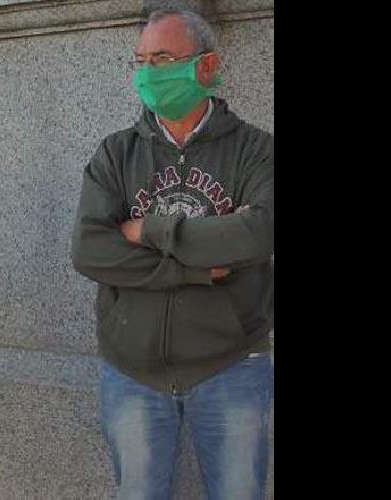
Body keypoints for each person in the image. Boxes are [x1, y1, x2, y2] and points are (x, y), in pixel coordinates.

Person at [70, 10, 273, 499]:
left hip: (232, 365)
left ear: (206, 67)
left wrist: (150, 230)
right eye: (140, 61)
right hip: (133, 372)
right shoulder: (116, 154)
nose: (147, 74)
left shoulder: (255, 151)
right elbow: (90, 249)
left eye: (162, 59)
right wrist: (202, 268)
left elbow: (261, 231)